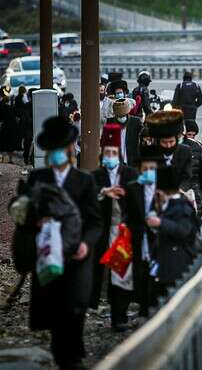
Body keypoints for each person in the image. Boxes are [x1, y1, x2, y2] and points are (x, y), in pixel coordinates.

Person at [25, 116, 102, 369]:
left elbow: (94, 221)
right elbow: (24, 215)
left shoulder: (84, 180)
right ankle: (63, 354)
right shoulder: (37, 178)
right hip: (48, 252)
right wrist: (34, 221)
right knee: (55, 306)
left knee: (75, 304)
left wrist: (86, 245)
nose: (58, 154)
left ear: (70, 149)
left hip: (77, 252)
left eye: (61, 149)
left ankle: (73, 355)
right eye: (53, 150)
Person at [91, 124, 138, 331]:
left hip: (123, 232)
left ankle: (119, 317)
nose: (110, 156)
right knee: (103, 274)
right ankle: (102, 306)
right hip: (103, 232)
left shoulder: (129, 173)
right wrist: (103, 192)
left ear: (119, 154)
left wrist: (126, 193)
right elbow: (87, 198)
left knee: (122, 274)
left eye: (113, 152)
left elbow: (138, 199)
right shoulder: (95, 176)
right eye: (107, 152)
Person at [147, 166, 199, 305]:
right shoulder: (170, 204)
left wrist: (160, 223)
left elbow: (183, 230)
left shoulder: (182, 207)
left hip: (177, 260)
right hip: (166, 260)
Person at [123, 145, 163, 319]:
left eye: (152, 169)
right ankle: (142, 308)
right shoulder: (132, 188)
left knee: (157, 275)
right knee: (139, 273)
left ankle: (155, 308)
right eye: (145, 169)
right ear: (139, 171)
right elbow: (127, 213)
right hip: (138, 238)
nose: (148, 172)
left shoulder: (164, 189)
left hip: (159, 239)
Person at [145, 109, 193, 191]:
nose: (168, 145)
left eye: (171, 142)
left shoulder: (185, 151)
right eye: (164, 142)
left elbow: (187, 178)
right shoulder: (148, 153)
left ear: (177, 140)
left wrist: (179, 190)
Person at [182, 119, 202, 217]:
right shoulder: (175, 148)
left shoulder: (198, 147)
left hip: (196, 196)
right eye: (189, 134)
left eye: (193, 135)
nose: (191, 137)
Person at [107, 98, 143, 166]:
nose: (121, 118)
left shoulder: (135, 122)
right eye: (119, 116)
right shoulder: (110, 122)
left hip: (131, 158)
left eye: (123, 116)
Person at [0, 86, 18, 164]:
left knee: (3, 144)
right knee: (10, 145)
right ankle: (10, 159)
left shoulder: (1, 108)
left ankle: (2, 159)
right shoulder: (11, 108)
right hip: (11, 128)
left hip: (4, 128)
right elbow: (15, 118)